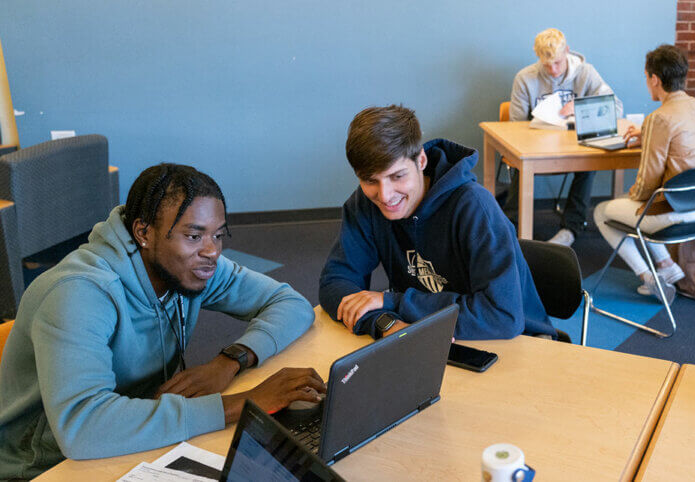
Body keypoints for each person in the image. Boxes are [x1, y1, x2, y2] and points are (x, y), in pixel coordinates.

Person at [0, 164, 324, 479]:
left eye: (217, 235)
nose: (211, 251)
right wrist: (241, 403)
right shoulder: (77, 294)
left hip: (135, 436)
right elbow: (82, 426)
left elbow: (291, 304)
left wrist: (232, 360)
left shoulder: (192, 265)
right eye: (194, 236)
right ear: (144, 232)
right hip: (45, 465)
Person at [319, 105, 556, 341]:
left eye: (397, 176)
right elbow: (335, 283)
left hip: (520, 341)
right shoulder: (365, 204)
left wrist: (393, 302)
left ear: (420, 160)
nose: (385, 195)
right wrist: (385, 323)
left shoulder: (474, 207)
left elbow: (502, 317)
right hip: (429, 335)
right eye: (370, 181)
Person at [592, 45, 695, 302]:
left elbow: (647, 183)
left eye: (646, 77)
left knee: (604, 211)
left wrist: (631, 196)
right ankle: (667, 266)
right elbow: (683, 140)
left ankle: (649, 277)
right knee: (643, 207)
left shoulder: (659, 118)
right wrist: (647, 135)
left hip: (675, 214)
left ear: (655, 79)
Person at [507, 28, 623, 247]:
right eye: (547, 64)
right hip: (535, 145)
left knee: (590, 160)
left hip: (575, 145)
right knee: (517, 161)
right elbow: (515, 128)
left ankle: (572, 227)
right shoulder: (525, 78)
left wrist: (579, 108)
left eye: (558, 63)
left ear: (567, 52)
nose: (553, 70)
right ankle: (511, 229)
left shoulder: (586, 72)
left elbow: (615, 108)